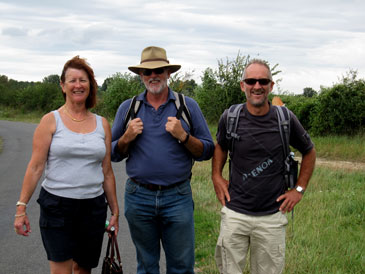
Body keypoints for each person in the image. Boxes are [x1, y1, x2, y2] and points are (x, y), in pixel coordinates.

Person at [111, 46, 214, 274]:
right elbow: (111, 153)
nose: (153, 76)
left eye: (159, 70)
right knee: (146, 267)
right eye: (147, 72)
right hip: (139, 197)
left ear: (168, 73)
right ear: (140, 76)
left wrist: (184, 136)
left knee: (181, 267)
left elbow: (207, 150)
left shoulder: (187, 106)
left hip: (177, 197)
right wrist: (126, 138)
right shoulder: (129, 108)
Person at [14, 56, 120, 274]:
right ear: (63, 86)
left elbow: (107, 172)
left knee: (83, 269)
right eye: (72, 80)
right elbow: (35, 167)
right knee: (61, 271)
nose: (78, 85)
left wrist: (115, 211)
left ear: (90, 86)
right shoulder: (50, 121)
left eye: (83, 80)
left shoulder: (102, 124)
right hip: (57, 207)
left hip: (93, 207)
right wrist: (21, 207)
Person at [212, 59, 316, 274]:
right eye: (251, 81)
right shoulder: (230, 117)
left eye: (262, 81)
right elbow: (221, 146)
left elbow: (309, 151)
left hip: (271, 216)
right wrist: (216, 176)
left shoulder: (285, 119)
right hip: (235, 214)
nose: (257, 86)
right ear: (243, 85)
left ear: (271, 85)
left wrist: (298, 190)